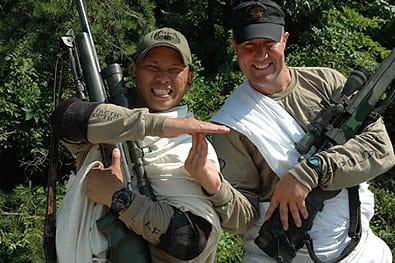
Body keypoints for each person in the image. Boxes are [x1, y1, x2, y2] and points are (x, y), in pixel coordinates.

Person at [209, 0, 395, 262]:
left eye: (268, 44)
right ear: (234, 47)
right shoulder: (230, 124)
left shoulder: (328, 82)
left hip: (359, 249)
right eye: (249, 46)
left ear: (284, 40)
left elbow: (380, 150)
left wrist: (312, 170)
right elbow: (242, 218)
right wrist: (213, 186)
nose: (260, 55)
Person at [53, 27, 231, 263]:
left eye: (174, 70)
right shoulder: (109, 125)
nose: (162, 77)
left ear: (189, 78)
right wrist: (154, 125)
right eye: (152, 67)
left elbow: (189, 239)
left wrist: (118, 197)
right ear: (134, 72)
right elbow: (65, 118)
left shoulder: (194, 147)